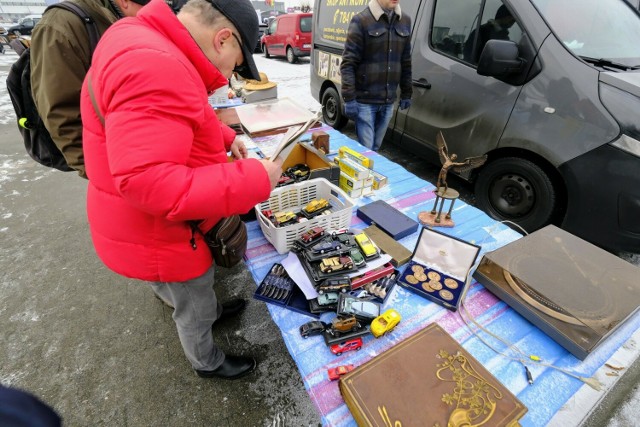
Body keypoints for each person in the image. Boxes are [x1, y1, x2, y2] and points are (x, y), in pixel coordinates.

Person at [80, 0, 283, 379]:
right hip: (161, 230)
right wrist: (255, 179)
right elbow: (149, 183)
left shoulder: (145, 40)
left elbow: (170, 116)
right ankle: (206, 361)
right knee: (193, 300)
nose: (228, 76)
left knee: (184, 291)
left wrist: (222, 136)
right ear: (223, 39)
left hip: (135, 219)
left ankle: (207, 311)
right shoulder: (156, 63)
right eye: (237, 64)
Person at [30, 0, 150, 180]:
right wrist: (103, 175)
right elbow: (61, 113)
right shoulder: (61, 24)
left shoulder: (127, 14)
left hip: (145, 157)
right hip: (114, 169)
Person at [340, 0, 412, 152]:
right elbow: (348, 63)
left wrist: (407, 93)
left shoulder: (405, 21)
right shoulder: (361, 20)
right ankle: (365, 174)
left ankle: (369, 174)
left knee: (376, 148)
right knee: (367, 150)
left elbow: (405, 61)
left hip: (388, 100)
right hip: (365, 102)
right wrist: (349, 98)